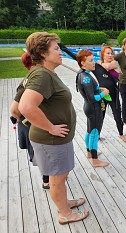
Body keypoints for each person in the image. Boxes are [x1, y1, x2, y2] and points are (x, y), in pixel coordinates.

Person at [18, 32, 89, 224]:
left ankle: (64, 203)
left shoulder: (44, 73)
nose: (60, 52)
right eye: (56, 49)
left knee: (61, 175)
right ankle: (65, 214)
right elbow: (24, 107)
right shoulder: (42, 75)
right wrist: (50, 127)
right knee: (57, 178)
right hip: (51, 140)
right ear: (42, 53)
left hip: (56, 140)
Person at [10, 52, 50, 190]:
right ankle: (47, 180)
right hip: (30, 124)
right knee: (40, 151)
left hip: (30, 123)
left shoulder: (31, 78)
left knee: (41, 151)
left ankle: (49, 176)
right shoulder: (30, 81)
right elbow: (15, 110)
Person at [76, 49, 110, 167]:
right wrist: (103, 93)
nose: (94, 62)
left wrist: (98, 89)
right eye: (90, 61)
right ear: (83, 63)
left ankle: (89, 152)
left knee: (90, 131)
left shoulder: (82, 74)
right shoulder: (86, 77)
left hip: (89, 108)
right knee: (95, 133)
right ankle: (95, 160)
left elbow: (88, 91)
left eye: (93, 60)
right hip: (93, 108)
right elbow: (91, 98)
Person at [95, 46, 126, 143]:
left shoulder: (114, 63)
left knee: (117, 114)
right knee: (101, 115)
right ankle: (97, 135)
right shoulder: (98, 66)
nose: (110, 55)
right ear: (102, 54)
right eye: (108, 53)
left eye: (111, 53)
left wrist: (100, 63)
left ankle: (121, 134)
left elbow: (108, 67)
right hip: (102, 95)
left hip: (114, 94)